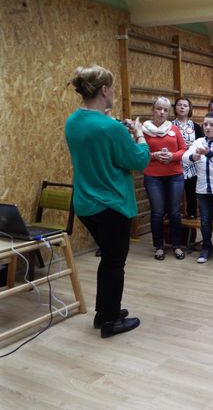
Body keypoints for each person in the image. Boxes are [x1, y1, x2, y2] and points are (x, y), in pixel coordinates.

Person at [65, 64, 149, 338]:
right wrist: (139, 135)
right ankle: (111, 322)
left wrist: (116, 129)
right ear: (104, 90)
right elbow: (139, 160)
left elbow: (99, 144)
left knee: (109, 259)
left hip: (85, 205)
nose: (113, 93)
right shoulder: (111, 128)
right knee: (115, 262)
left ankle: (104, 313)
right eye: (111, 88)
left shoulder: (73, 121)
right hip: (111, 205)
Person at [183, 112, 213, 264]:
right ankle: (206, 248)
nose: (208, 127)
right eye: (205, 124)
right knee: (205, 221)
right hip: (202, 189)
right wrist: (193, 157)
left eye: (212, 124)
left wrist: (209, 153)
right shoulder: (198, 141)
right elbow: (185, 157)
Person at [142, 96, 187, 261]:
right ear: (152, 110)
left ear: (168, 113)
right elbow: (138, 153)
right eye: (159, 108)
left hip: (175, 175)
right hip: (153, 177)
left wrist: (172, 156)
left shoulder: (174, 129)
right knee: (157, 212)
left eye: (165, 110)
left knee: (174, 212)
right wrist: (154, 155)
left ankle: (176, 246)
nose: (162, 112)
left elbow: (184, 149)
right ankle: (159, 246)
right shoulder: (144, 130)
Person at [172, 97, 204, 220]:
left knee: (192, 197)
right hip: (175, 167)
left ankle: (192, 220)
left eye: (185, 105)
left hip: (192, 168)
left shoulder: (196, 126)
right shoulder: (169, 126)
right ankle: (174, 222)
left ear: (189, 109)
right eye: (179, 105)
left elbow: (202, 145)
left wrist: (192, 147)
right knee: (174, 197)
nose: (182, 107)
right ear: (175, 108)